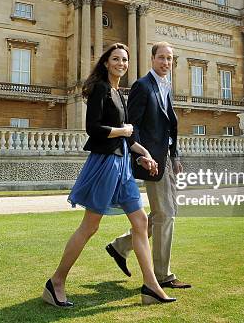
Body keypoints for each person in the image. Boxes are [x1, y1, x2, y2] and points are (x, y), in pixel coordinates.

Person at [43, 43, 176, 307]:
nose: (121, 64)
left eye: (125, 60)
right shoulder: (101, 89)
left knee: (140, 222)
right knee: (90, 226)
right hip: (105, 163)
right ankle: (56, 282)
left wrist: (143, 153)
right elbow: (93, 128)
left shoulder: (119, 92)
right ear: (106, 62)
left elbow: (127, 135)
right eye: (116, 59)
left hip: (124, 162)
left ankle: (151, 285)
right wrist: (123, 132)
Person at [106, 41, 191, 290]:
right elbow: (134, 126)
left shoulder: (166, 86)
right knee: (166, 215)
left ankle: (120, 246)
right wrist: (143, 155)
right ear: (152, 59)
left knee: (162, 213)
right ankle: (163, 275)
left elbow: (170, 127)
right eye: (162, 58)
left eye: (170, 59)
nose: (166, 63)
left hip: (166, 157)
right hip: (152, 160)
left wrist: (175, 156)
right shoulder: (143, 86)